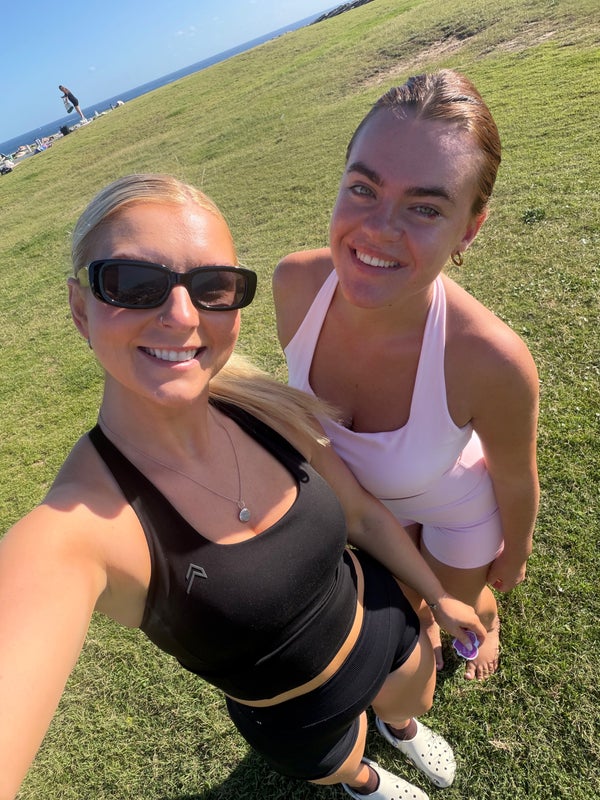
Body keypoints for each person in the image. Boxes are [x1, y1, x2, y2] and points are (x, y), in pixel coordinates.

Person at [0, 173, 486, 800]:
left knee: (411, 700)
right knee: (345, 764)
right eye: (133, 283)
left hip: (386, 624)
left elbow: (362, 517)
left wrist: (437, 596)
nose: (182, 315)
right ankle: (364, 783)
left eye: (213, 288)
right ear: (79, 308)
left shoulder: (262, 407)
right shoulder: (78, 529)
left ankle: (400, 726)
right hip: (297, 719)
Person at [273, 70, 539, 681]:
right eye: (363, 188)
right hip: (374, 511)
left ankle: (487, 615)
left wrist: (516, 553)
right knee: (412, 609)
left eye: (425, 207)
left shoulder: (490, 359)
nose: (378, 229)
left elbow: (515, 478)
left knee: (460, 604)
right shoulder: (296, 285)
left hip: (456, 513)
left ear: (469, 228)